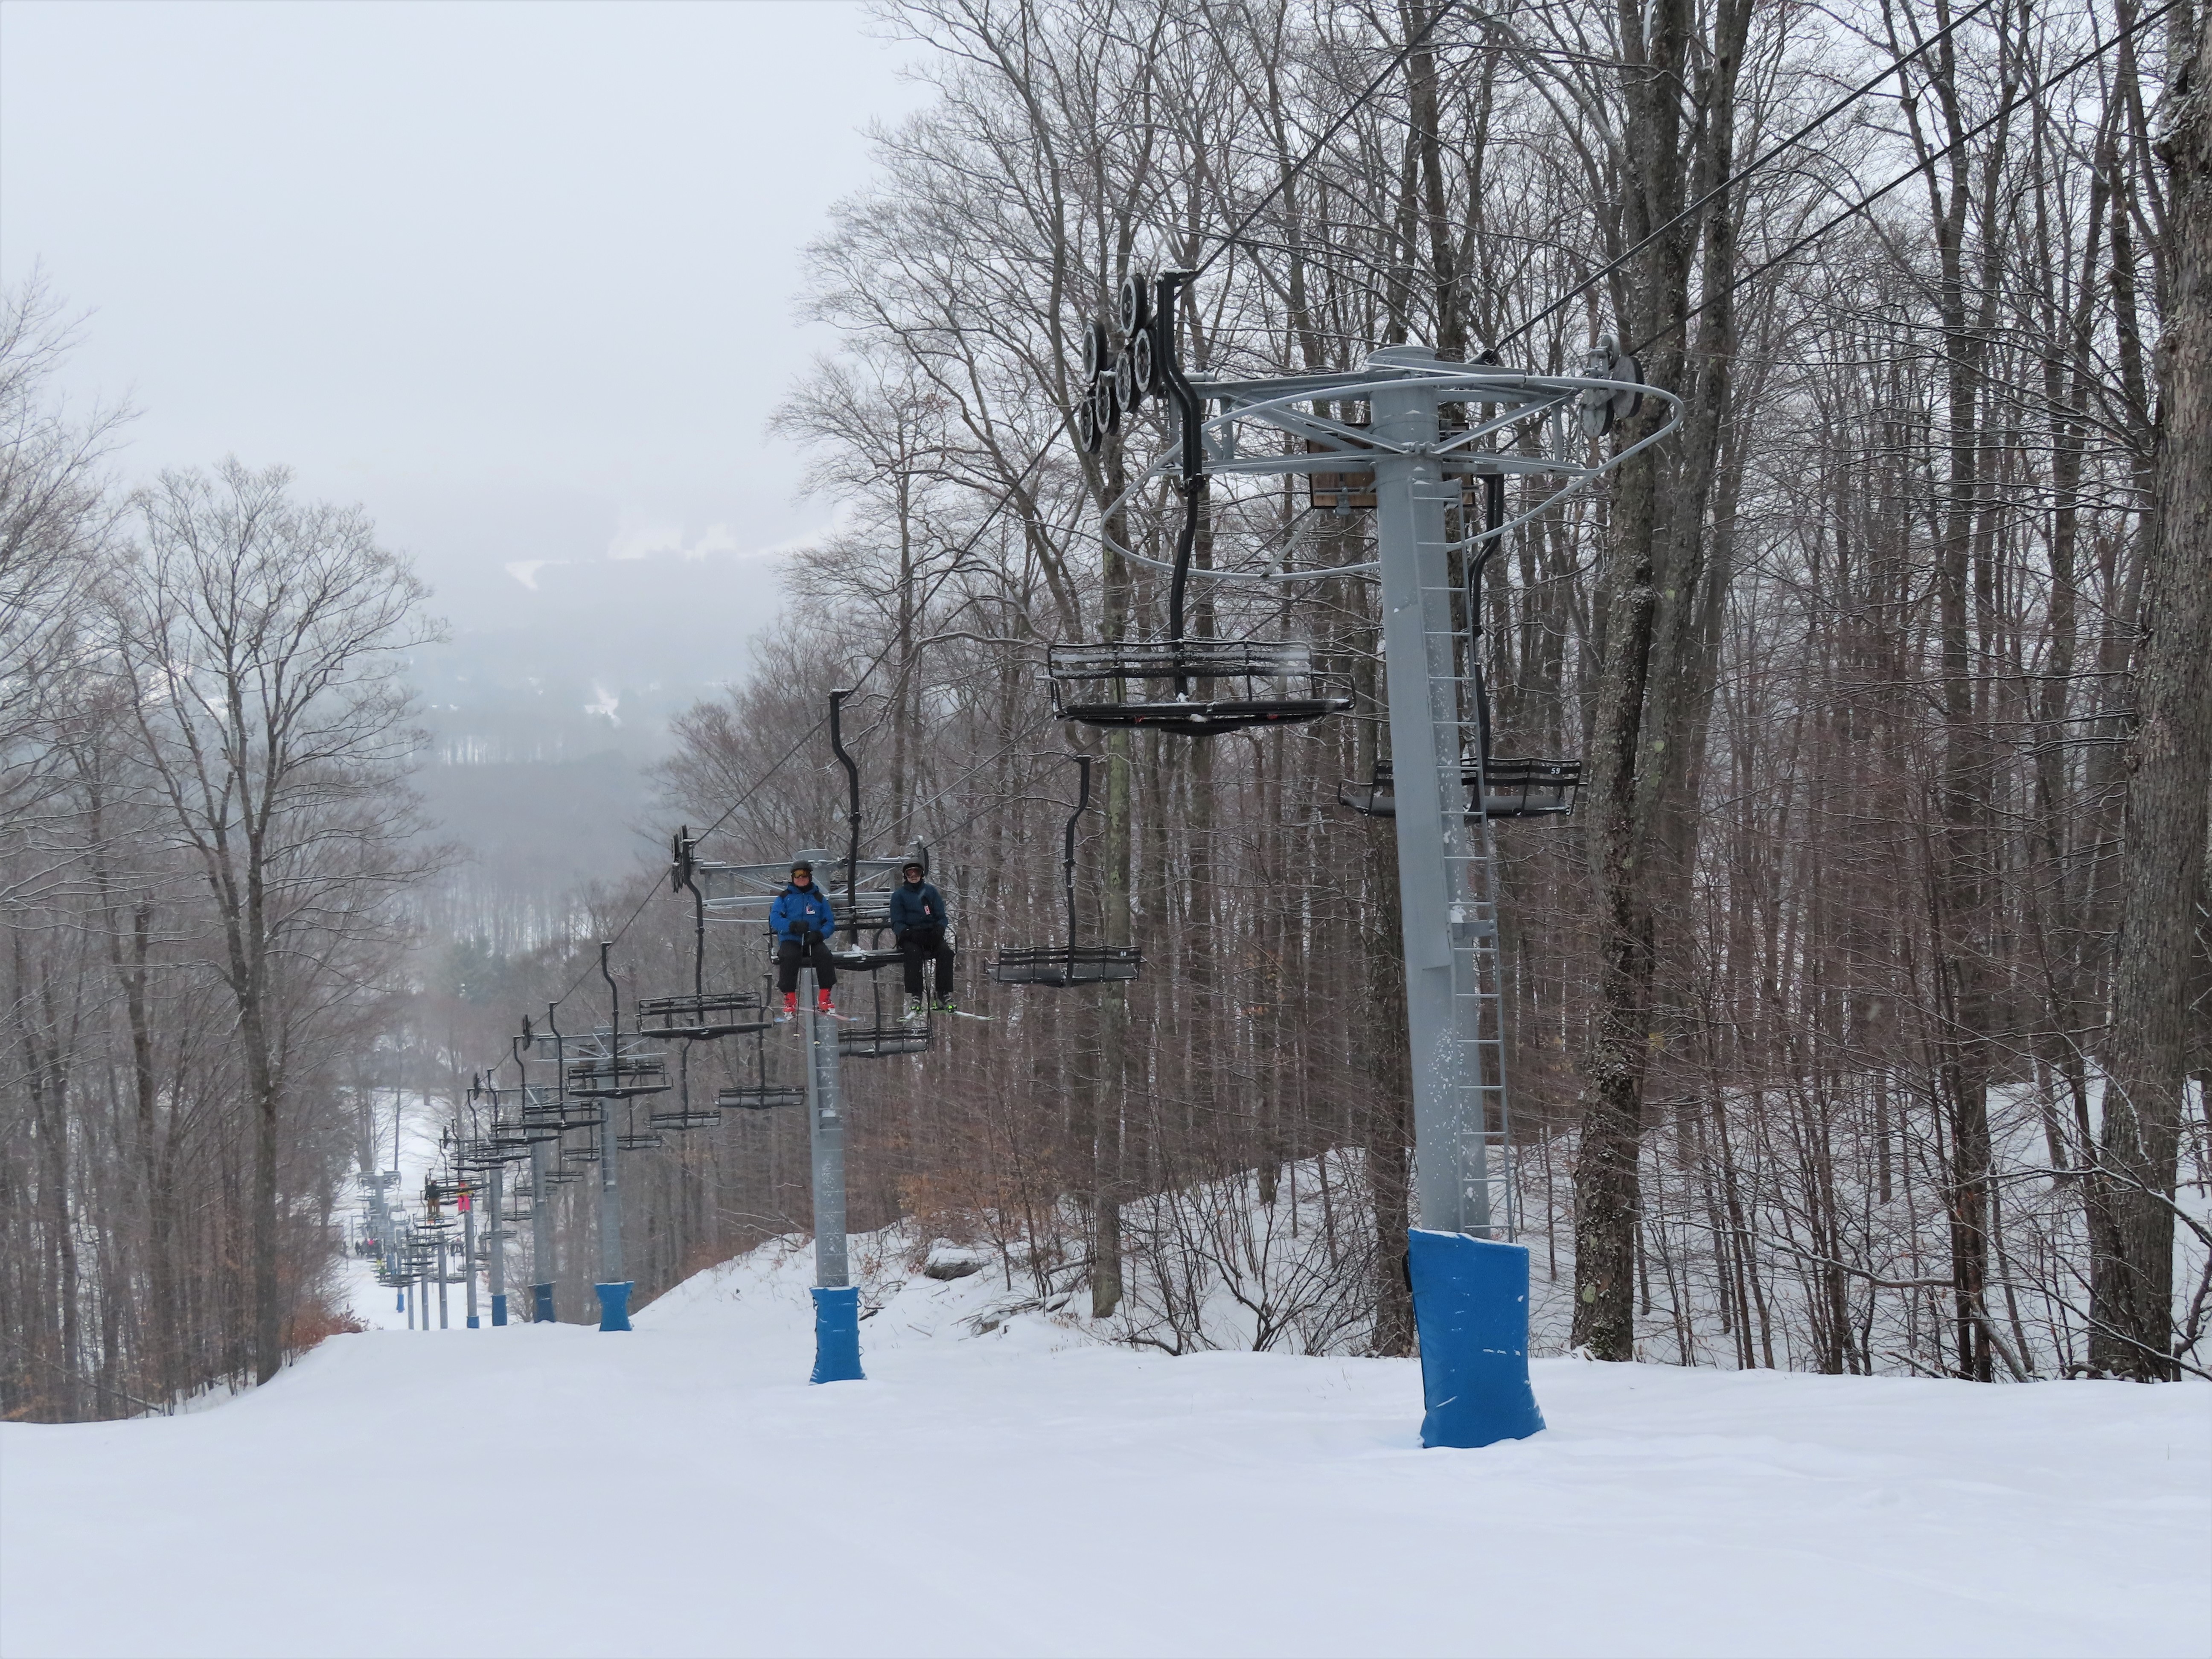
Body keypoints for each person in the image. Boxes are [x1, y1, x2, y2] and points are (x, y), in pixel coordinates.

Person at [888, 858, 955, 1018]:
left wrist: (939, 929)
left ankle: (943, 992)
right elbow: (896, 922)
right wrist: (908, 933)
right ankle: (916, 994)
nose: (913, 876)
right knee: (913, 953)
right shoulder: (899, 896)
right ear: (905, 876)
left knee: (946, 953)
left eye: (916, 872)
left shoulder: (931, 892)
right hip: (912, 936)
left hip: (931, 934)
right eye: (909, 873)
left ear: (922, 874)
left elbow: (941, 916)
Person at [769, 860, 838, 1018]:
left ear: (810, 876)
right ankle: (789, 999)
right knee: (789, 956)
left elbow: (829, 923)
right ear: (793, 877)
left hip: (812, 939)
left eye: (804, 874)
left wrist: (819, 934)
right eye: (797, 875)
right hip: (791, 939)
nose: (801, 878)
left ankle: (825, 998)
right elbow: (775, 919)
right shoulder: (784, 898)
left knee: (825, 956)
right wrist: (792, 926)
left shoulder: (818, 899)